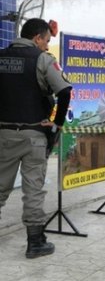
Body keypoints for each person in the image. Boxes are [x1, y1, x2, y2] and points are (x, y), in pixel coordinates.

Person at [0, 18, 72, 259]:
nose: (48, 46)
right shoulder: (42, 60)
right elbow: (64, 91)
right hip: (34, 134)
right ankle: (35, 243)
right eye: (46, 41)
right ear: (37, 38)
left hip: (4, 134)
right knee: (33, 189)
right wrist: (57, 124)